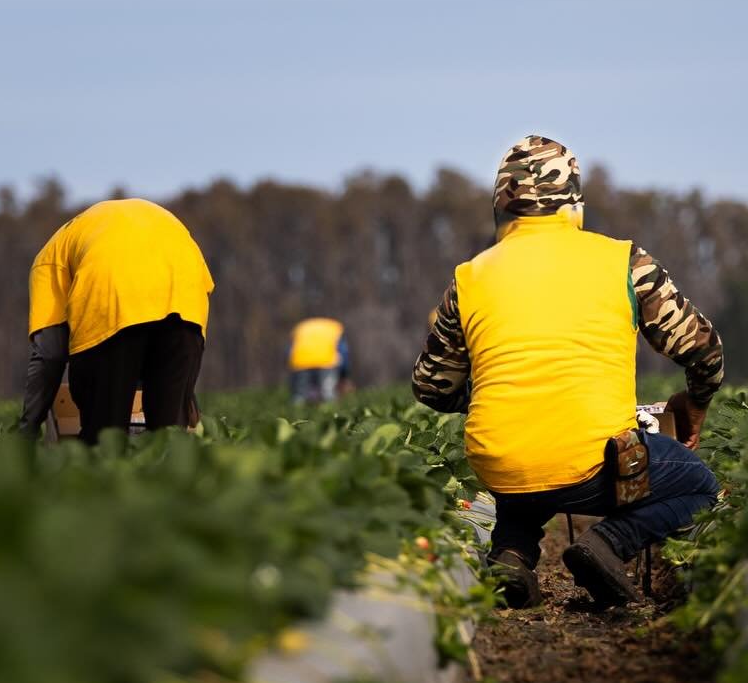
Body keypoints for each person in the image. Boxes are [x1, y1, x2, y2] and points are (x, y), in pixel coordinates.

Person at [411, 135, 723, 610]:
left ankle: (511, 555)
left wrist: (498, 392)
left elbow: (431, 387)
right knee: (700, 485)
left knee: (525, 459)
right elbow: (702, 349)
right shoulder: (624, 261)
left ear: (501, 206)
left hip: (501, 462)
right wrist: (694, 403)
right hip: (596, 467)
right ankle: (608, 544)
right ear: (574, 202)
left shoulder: (468, 277)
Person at [17, 197, 214, 443]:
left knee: (104, 441)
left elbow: (51, 354)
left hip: (112, 296)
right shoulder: (124, 225)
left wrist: (27, 430)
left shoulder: (47, 259)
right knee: (168, 442)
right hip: (187, 293)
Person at [288, 317, 351, 404]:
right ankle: (330, 413)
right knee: (328, 393)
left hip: (301, 362)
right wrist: (344, 373)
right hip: (327, 361)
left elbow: (291, 349)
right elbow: (342, 350)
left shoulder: (301, 327)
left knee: (300, 394)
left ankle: (295, 414)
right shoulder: (335, 328)